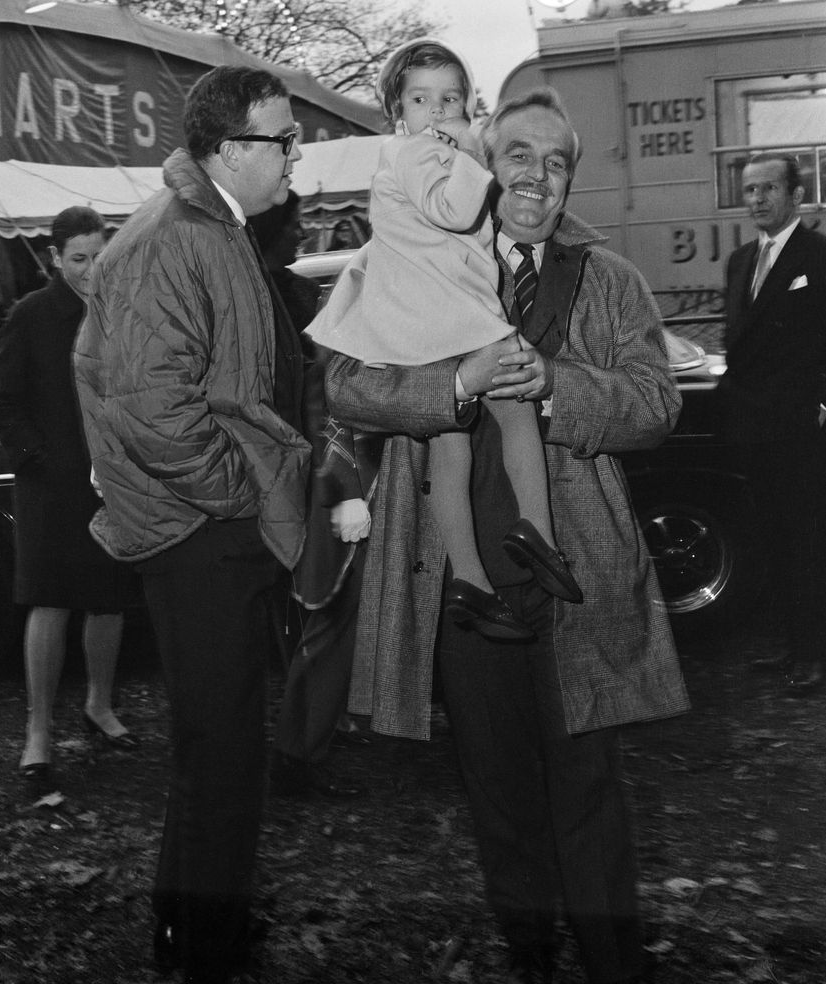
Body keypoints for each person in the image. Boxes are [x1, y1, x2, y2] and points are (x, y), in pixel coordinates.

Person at [327, 88, 690, 984]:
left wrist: (557, 388)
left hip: (574, 571)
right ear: (488, 165)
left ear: (570, 180)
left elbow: (655, 402)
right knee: (496, 790)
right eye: (518, 155)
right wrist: (453, 384)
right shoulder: (421, 252)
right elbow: (346, 383)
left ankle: (612, 962)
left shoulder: (609, 280)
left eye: (555, 162)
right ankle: (529, 954)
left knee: (588, 785)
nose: (535, 176)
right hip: (458, 575)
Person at [75, 66, 311, 984]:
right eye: (282, 140)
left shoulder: (206, 229)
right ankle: (205, 949)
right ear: (227, 151)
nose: (296, 156)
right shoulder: (179, 237)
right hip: (201, 535)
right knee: (223, 757)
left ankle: (186, 926)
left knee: (211, 750)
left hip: (199, 529)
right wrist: (237, 496)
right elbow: (149, 403)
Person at [307, 39, 581, 641]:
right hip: (442, 312)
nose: (438, 111)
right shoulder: (418, 155)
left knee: (450, 443)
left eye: (451, 98)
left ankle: (471, 578)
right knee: (514, 410)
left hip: (435, 311)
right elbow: (455, 214)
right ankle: (538, 529)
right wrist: (472, 153)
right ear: (397, 110)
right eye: (422, 99)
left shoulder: (421, 154)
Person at [0, 207, 141, 803]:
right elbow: (2, 401)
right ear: (54, 257)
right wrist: (39, 460)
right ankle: (39, 733)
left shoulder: (122, 309)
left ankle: (100, 706)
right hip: (50, 488)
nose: (91, 269)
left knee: (108, 599)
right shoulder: (30, 316)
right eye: (78, 259)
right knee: (48, 604)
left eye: (99, 255)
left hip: (113, 483)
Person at [248, 194, 371, 800]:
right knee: (330, 617)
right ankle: (295, 750)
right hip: (331, 475)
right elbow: (321, 390)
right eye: (293, 224)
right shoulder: (271, 291)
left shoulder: (298, 290)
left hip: (344, 470)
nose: (301, 233)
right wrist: (330, 480)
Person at [717, 154, 826, 694]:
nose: (756, 199)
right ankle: (793, 649)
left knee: (809, 545)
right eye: (749, 190)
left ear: (796, 195)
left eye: (767, 189)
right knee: (773, 545)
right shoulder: (740, 262)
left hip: (803, 433)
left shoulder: (819, 256)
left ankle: (815, 657)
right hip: (753, 434)